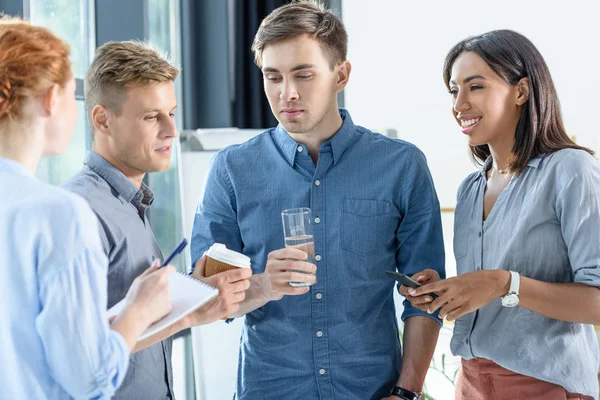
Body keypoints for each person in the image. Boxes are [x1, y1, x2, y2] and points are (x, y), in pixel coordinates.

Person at [191, 2, 445, 399]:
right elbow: (204, 295)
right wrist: (263, 285)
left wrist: (406, 393)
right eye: (272, 77)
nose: (286, 93)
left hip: (371, 391)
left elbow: (425, 298)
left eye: (303, 75)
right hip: (271, 389)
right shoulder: (232, 170)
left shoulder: (401, 166)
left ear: (340, 74)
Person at [403, 30, 600, 400]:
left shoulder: (571, 170)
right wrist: (445, 290)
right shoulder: (471, 188)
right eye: (453, 89)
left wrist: (504, 283)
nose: (459, 103)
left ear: (522, 91)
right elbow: (484, 292)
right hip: (472, 382)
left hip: (545, 386)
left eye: (475, 86)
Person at [63, 40, 252, 399]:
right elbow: (80, 355)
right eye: (152, 116)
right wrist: (190, 316)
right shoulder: (80, 210)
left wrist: (193, 295)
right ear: (102, 119)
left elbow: (130, 316)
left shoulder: (132, 203)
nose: (171, 130)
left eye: (172, 112)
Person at [0, 17, 176, 399]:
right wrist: (140, 309)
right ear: (52, 98)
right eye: (71, 92)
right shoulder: (58, 212)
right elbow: (89, 380)